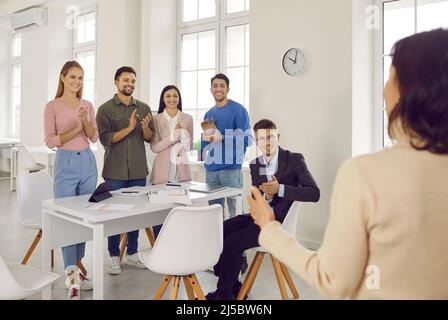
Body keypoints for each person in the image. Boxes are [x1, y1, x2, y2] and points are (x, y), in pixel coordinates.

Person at [248, 29, 448, 299]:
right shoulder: (255, 163)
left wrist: (269, 227)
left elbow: (333, 280)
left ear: (409, 94)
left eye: (390, 78)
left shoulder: (365, 174)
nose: (383, 92)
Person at [206, 119, 320, 300]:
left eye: (271, 137)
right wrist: (264, 196)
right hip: (257, 217)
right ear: (256, 141)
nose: (267, 142)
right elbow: (258, 193)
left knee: (232, 243)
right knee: (218, 232)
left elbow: (314, 193)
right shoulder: (255, 164)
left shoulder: (294, 160)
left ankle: (223, 294)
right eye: (262, 138)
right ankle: (234, 287)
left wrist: (280, 189)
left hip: (277, 224)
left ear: (278, 137)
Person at [44, 61, 98, 300]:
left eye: (81, 78)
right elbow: (50, 141)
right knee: (68, 221)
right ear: (63, 77)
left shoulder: (87, 105)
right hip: (65, 163)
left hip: (87, 162)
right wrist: (76, 127)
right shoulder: (52, 106)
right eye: (73, 77)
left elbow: (94, 137)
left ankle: (78, 269)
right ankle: (72, 276)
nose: (77, 82)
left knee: (84, 221)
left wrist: (85, 122)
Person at [96, 66, 155, 275]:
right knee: (114, 215)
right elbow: (106, 140)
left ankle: (131, 252)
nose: (129, 84)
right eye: (125, 81)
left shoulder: (144, 107)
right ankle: (114, 255)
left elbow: (150, 138)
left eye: (132, 81)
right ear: (116, 82)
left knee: (135, 215)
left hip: (138, 171)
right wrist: (130, 128)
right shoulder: (105, 110)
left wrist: (144, 127)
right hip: (115, 171)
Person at [201, 73, 252, 220]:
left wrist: (222, 137)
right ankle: (219, 242)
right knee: (213, 214)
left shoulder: (238, 110)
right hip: (211, 170)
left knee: (235, 212)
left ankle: (237, 243)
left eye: (222, 86)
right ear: (211, 89)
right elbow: (206, 145)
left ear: (228, 89)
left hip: (231, 170)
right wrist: (207, 137)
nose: (218, 89)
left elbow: (248, 139)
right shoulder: (209, 113)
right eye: (215, 86)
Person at [150, 85, 193, 237]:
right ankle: (160, 248)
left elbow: (190, 146)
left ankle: (178, 247)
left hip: (181, 173)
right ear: (163, 99)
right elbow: (154, 147)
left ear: (179, 98)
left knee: (180, 213)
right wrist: (174, 136)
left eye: (175, 96)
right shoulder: (156, 119)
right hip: (162, 172)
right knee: (159, 214)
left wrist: (183, 135)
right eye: (168, 96)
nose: (172, 99)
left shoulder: (187, 118)